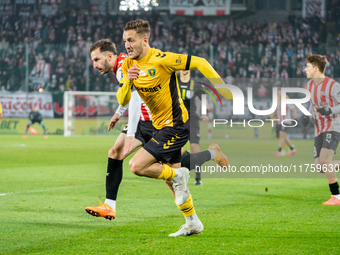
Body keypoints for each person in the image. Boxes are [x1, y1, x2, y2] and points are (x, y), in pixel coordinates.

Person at [85, 39, 229, 223]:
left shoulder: (124, 66)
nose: (94, 64)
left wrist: (129, 135)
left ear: (110, 56)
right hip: (143, 122)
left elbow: (135, 99)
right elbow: (128, 94)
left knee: (172, 175)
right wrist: (118, 113)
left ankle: (210, 158)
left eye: (97, 59)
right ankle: (109, 205)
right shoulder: (122, 67)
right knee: (115, 152)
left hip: (157, 123)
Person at [117, 19, 233, 236]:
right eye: (125, 41)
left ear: (145, 39)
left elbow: (200, 62)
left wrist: (222, 87)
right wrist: (127, 82)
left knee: (136, 166)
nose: (127, 45)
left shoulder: (162, 59)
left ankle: (181, 174)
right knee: (172, 182)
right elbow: (123, 99)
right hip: (159, 127)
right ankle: (193, 222)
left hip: (177, 126)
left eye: (131, 40)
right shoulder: (127, 65)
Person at [178, 70, 229, 185]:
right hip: (177, 120)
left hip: (192, 120)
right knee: (178, 151)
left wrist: (205, 113)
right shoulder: (173, 82)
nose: (184, 69)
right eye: (182, 67)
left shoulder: (195, 84)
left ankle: (198, 178)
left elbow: (204, 99)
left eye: (187, 67)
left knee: (195, 148)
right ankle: (183, 166)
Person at [302, 53, 340, 205]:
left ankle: (336, 196)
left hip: (333, 125)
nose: (305, 69)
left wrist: (330, 110)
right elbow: (312, 105)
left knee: (325, 160)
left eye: (308, 66)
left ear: (316, 68)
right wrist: (307, 115)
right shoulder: (309, 85)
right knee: (320, 167)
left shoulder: (333, 85)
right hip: (319, 128)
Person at [271, 85, 298, 157]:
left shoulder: (287, 100)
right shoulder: (277, 100)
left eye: (279, 92)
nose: (278, 93)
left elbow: (293, 109)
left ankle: (279, 151)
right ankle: (293, 149)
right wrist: (272, 117)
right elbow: (275, 110)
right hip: (279, 120)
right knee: (278, 135)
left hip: (286, 120)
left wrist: (295, 119)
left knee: (282, 135)